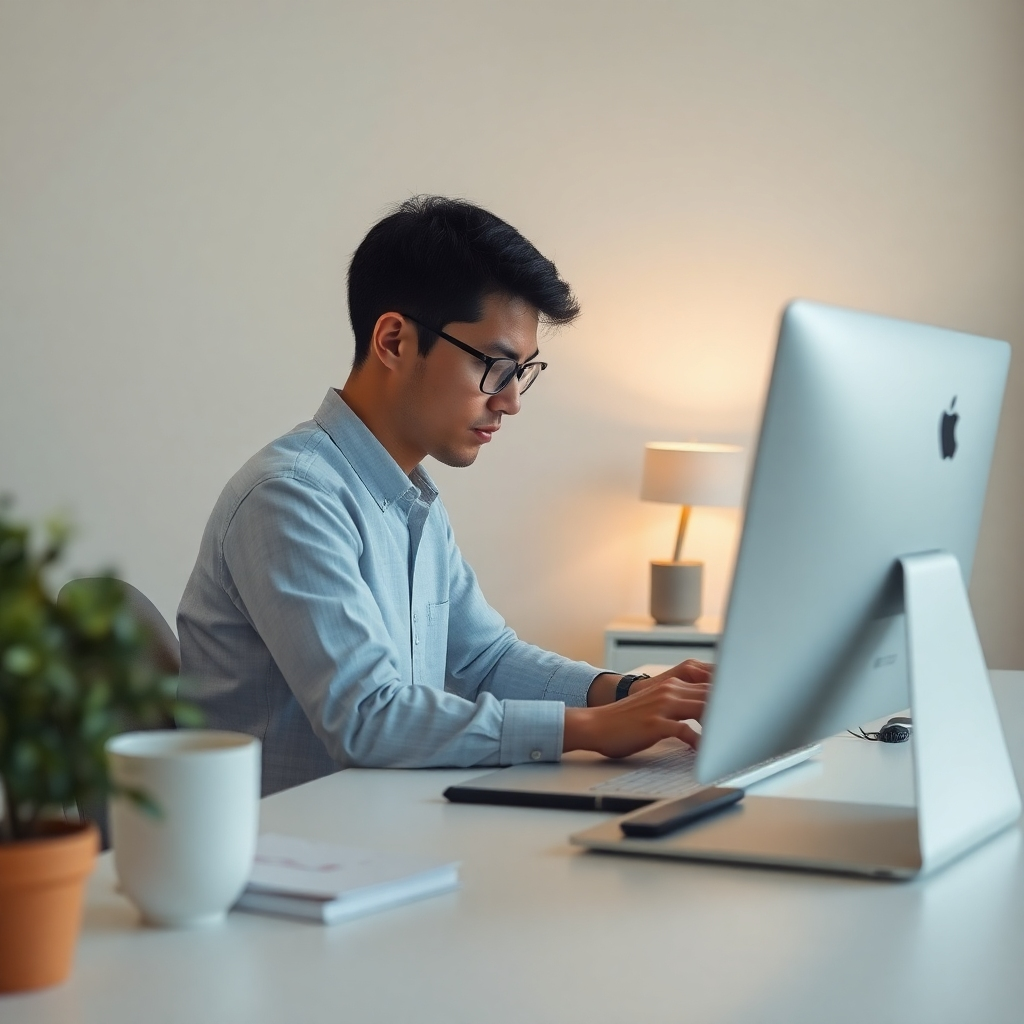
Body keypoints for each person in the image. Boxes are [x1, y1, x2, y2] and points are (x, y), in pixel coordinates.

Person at [178, 196, 711, 795]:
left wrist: (629, 693)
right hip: (288, 855)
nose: (511, 400)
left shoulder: (411, 499)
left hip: (380, 829)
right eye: (497, 366)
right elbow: (367, 720)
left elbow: (484, 659)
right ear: (395, 341)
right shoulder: (290, 497)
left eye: (524, 372)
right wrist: (588, 727)